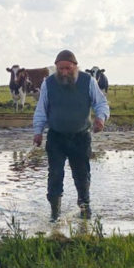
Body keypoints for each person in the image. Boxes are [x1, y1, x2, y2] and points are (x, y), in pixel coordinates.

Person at [32, 49, 110, 220]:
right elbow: (41, 110)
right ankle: (54, 214)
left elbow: (101, 103)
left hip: (80, 137)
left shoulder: (88, 81)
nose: (64, 72)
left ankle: (85, 209)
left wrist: (100, 118)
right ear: (56, 68)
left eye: (68, 68)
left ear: (75, 66)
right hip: (56, 137)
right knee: (55, 174)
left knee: (82, 175)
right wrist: (38, 132)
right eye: (60, 69)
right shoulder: (48, 83)